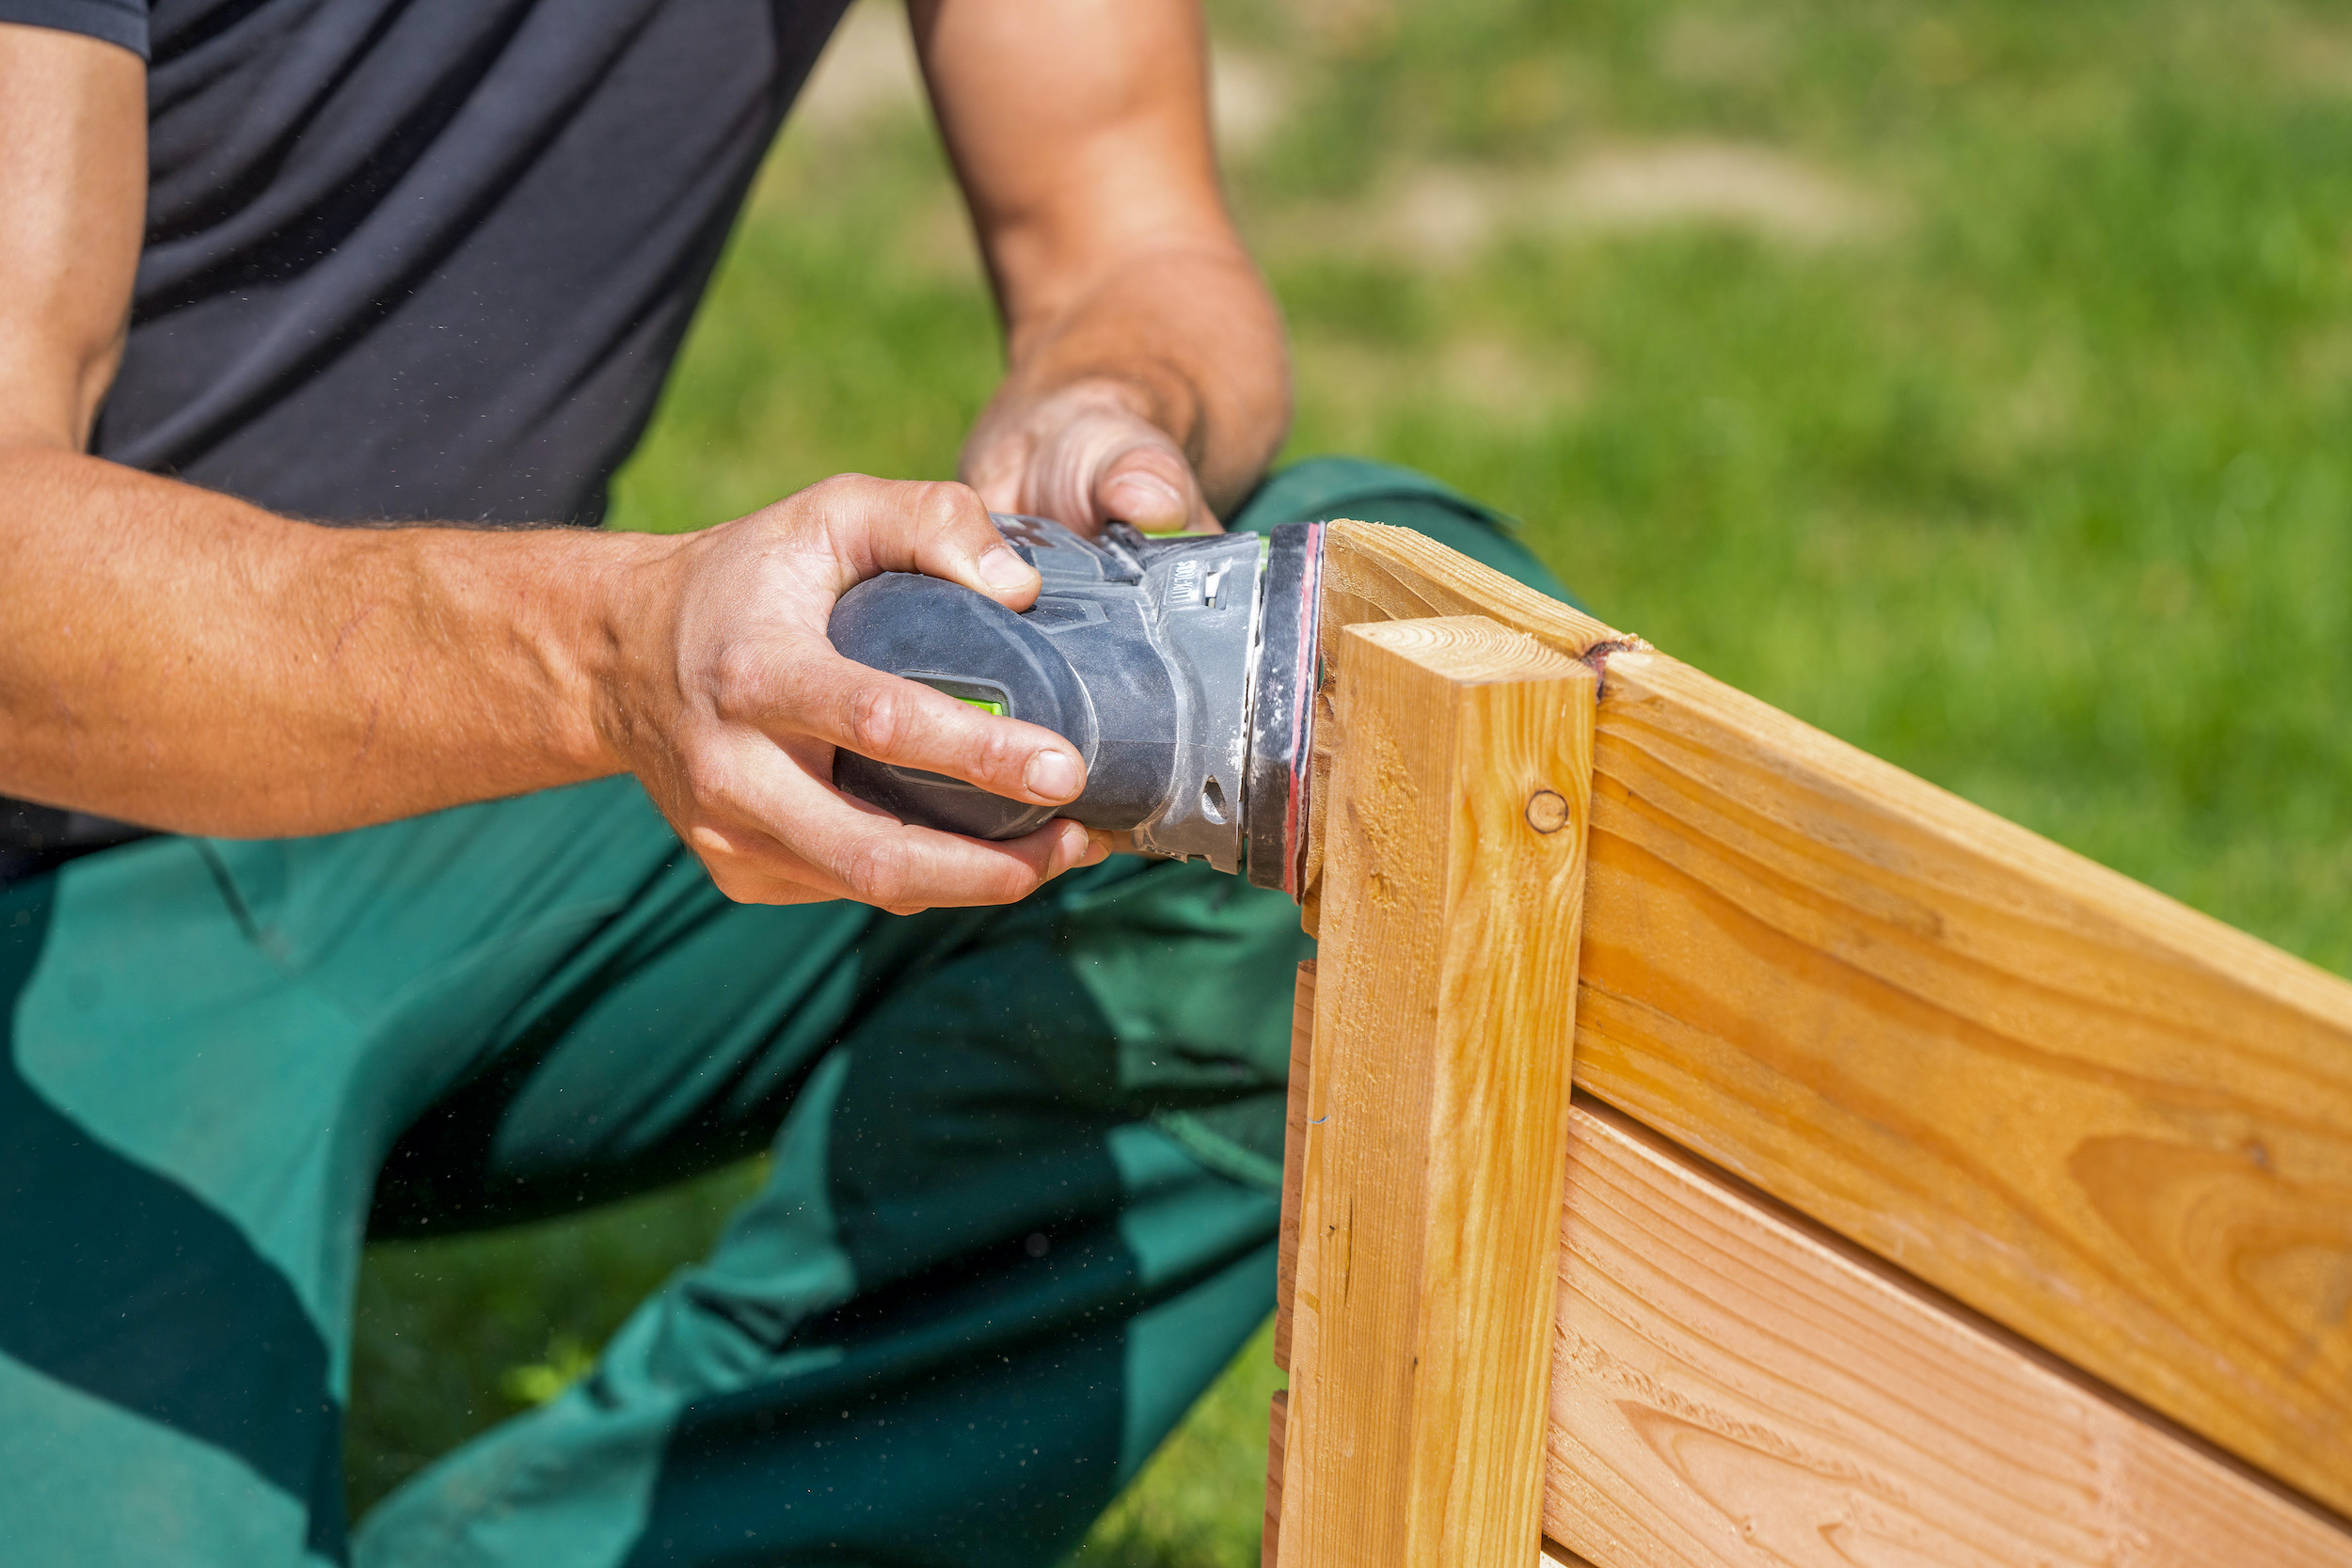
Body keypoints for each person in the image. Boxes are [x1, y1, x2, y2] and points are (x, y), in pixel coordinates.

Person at [0, 1, 1572, 1562]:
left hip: (469, 801)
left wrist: (1111, 401)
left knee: (1356, 705)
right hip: (52, 887)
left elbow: (1125, 234)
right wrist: (616, 655)